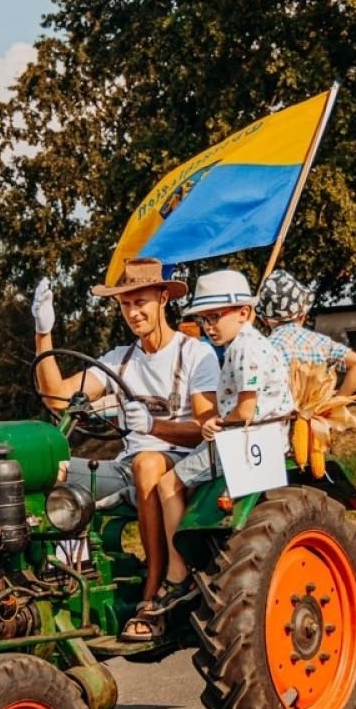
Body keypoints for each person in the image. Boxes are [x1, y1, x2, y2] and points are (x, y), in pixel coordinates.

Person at [30, 258, 218, 614]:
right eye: (126, 304)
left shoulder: (196, 354)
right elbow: (57, 398)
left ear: (163, 298)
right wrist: (43, 334)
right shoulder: (121, 360)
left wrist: (153, 427)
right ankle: (68, 580)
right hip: (128, 467)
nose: (133, 313)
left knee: (147, 463)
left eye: (140, 301)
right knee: (52, 471)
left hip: (182, 467)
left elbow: (206, 430)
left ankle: (156, 591)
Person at [136, 270, 296, 639]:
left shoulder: (243, 350)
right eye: (203, 319)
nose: (209, 326)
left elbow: (247, 410)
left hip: (244, 442)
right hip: (245, 438)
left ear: (244, 312)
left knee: (167, 482)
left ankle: (178, 573)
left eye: (216, 316)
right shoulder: (246, 344)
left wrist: (214, 425)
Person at [255, 269, 356, 396]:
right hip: (319, 414)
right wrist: (337, 402)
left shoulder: (264, 349)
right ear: (303, 315)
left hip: (282, 415)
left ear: (265, 320)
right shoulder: (321, 343)